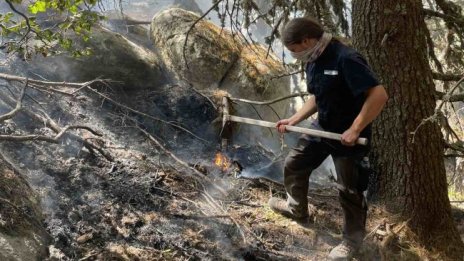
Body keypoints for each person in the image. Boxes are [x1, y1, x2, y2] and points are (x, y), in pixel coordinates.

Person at [268, 17, 388, 260]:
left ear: (307, 40)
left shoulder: (346, 58)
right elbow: (317, 95)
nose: (293, 55)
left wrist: (355, 129)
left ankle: (351, 242)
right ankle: (296, 209)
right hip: (322, 126)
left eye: (294, 50)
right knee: (295, 164)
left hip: (349, 136)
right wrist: (294, 119)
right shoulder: (312, 58)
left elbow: (379, 94)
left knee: (349, 190)